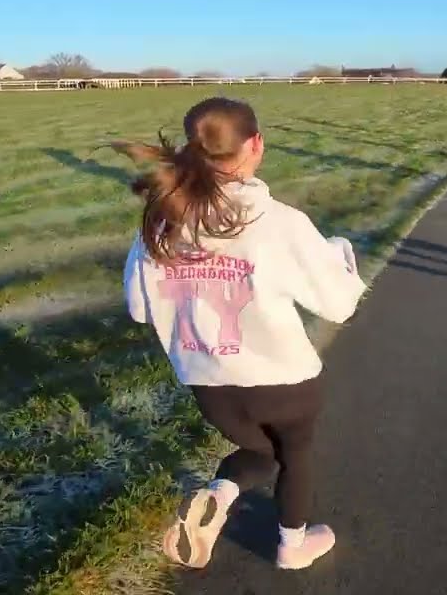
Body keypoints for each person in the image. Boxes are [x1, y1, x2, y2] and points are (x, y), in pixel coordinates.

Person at [118, 97, 366, 571]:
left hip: (210, 385)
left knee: (258, 452)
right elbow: (340, 303)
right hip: (285, 379)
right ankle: (293, 545)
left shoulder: (162, 221)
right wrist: (340, 254)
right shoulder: (279, 222)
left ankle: (219, 492)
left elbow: (138, 309)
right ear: (255, 145)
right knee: (294, 453)